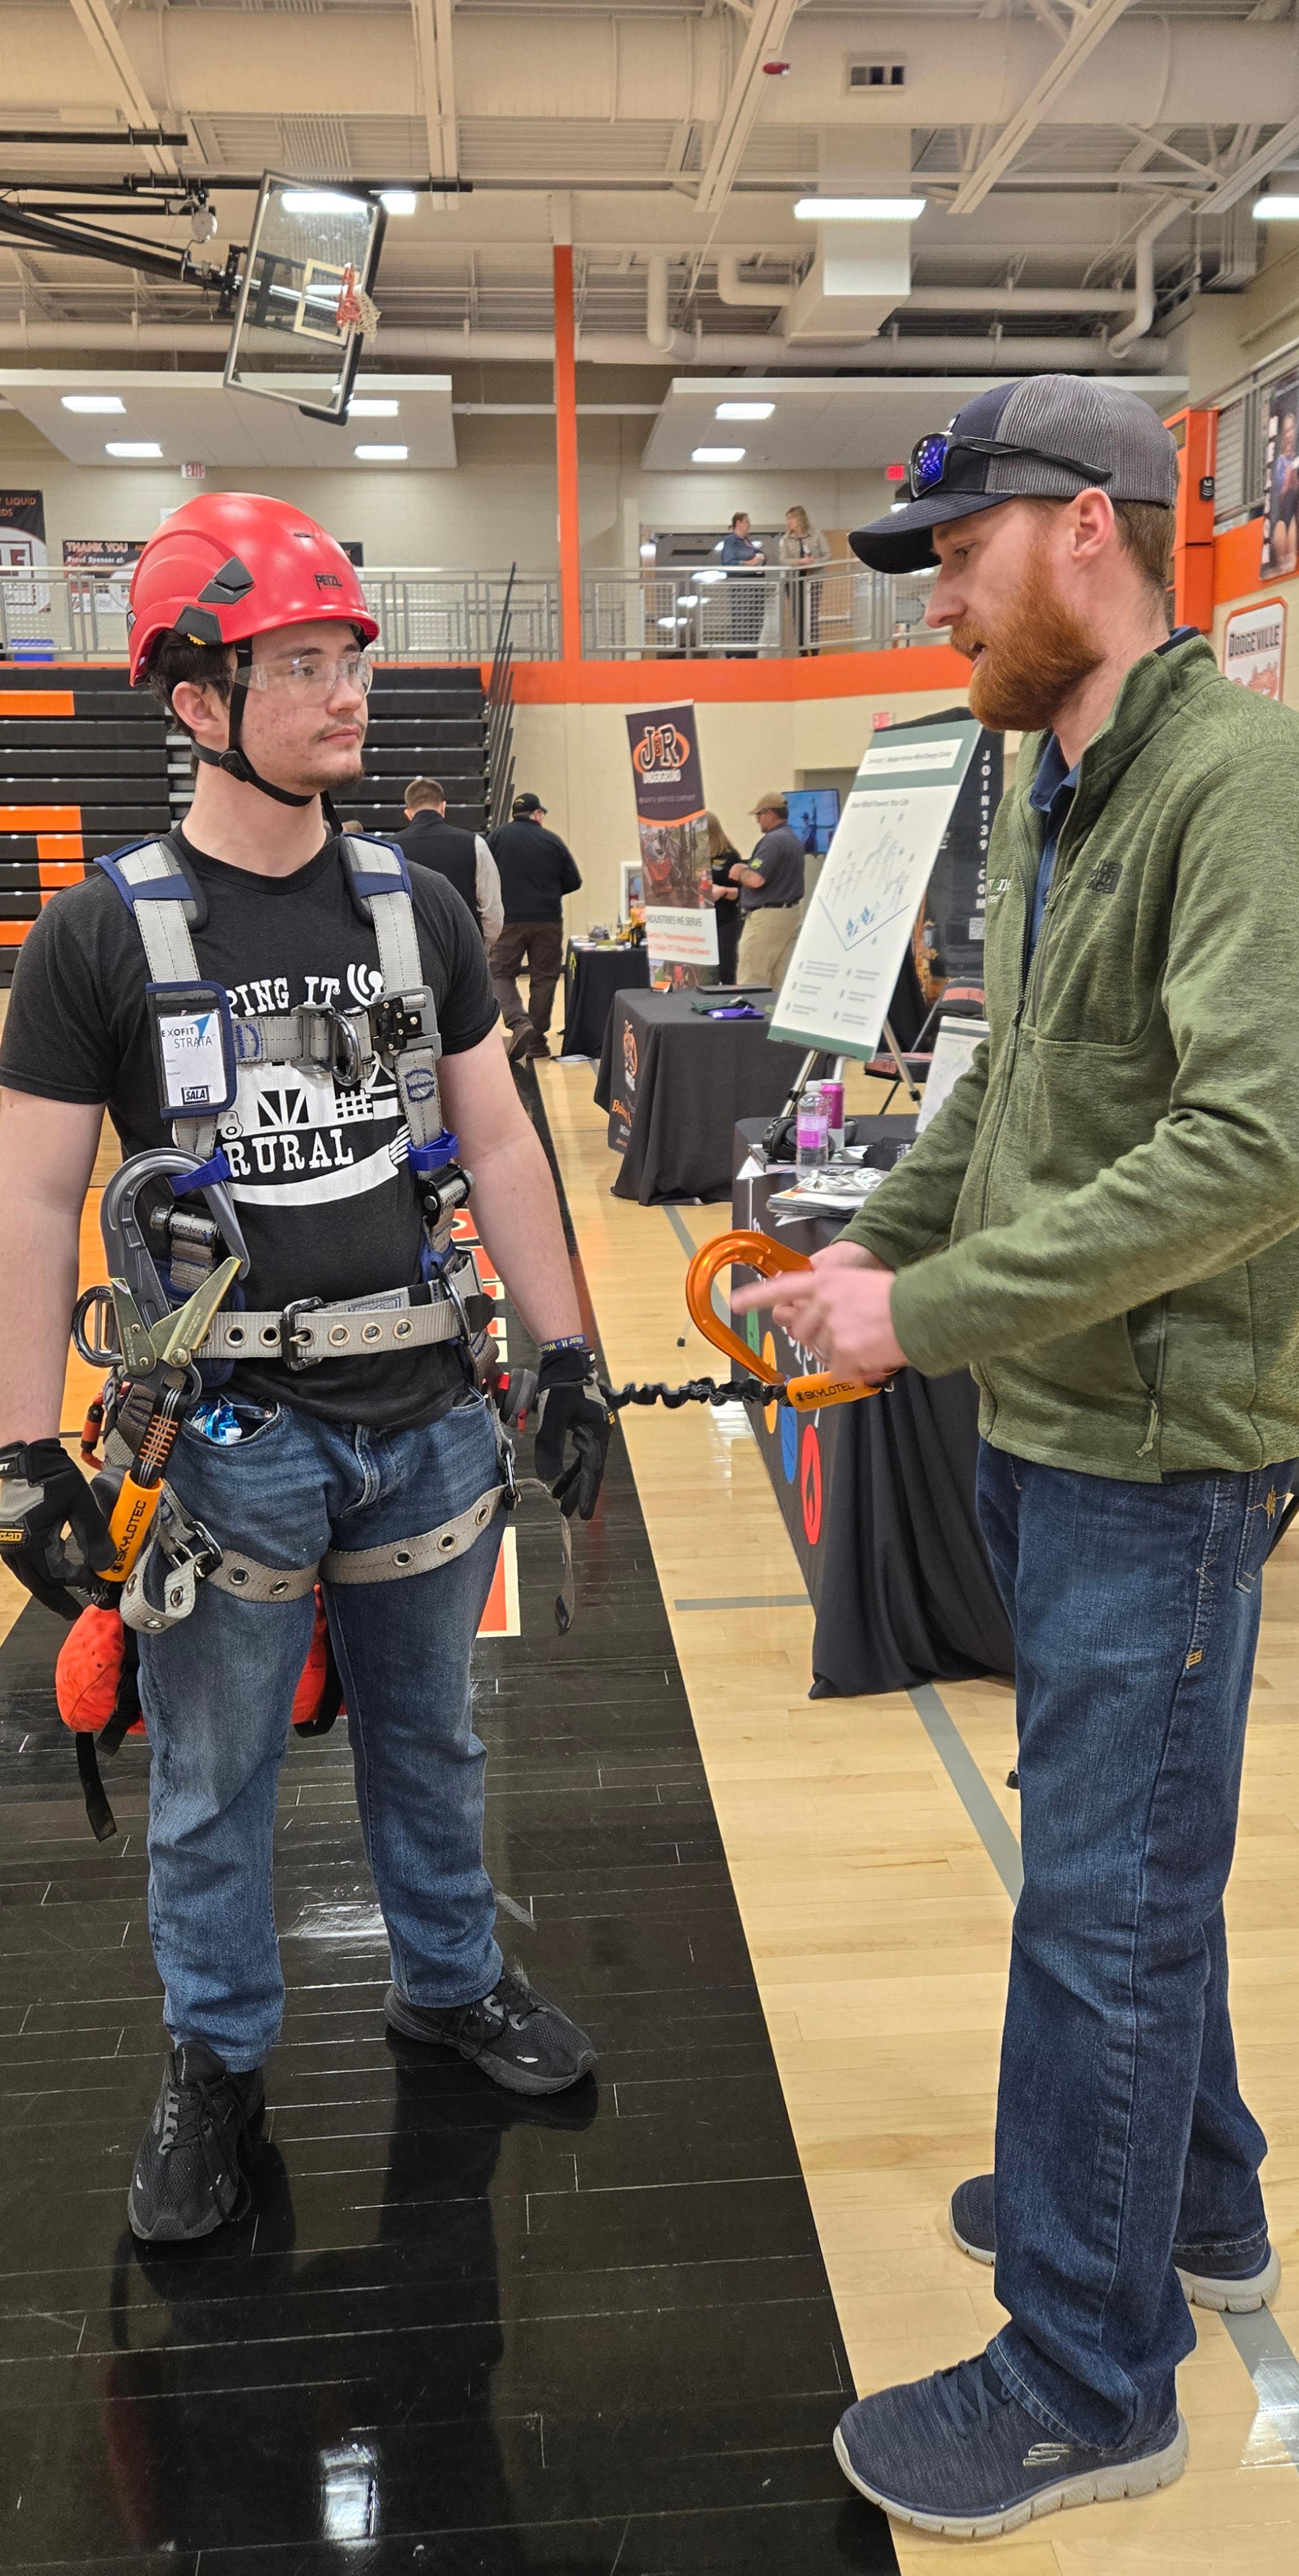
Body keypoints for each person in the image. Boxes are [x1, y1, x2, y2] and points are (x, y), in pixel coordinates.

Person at [737, 373, 1299, 2541]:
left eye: (959, 555)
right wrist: (875, 1250)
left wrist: (935, 1310)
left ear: (1087, 528)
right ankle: (1196, 2193)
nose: (939, 601)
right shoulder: (1050, 784)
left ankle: (1085, 2375)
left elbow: (1250, 1150)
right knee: (1129, 1861)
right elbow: (1003, 1082)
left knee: (1100, 1915)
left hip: (1163, 1456)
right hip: (1050, 1424)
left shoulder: (1238, 785)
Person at [0, 493, 613, 2245]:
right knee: (214, 1782)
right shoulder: (98, 937)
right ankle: (216, 2062)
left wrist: (568, 1350)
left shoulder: (415, 912)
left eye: (351, 657)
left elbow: (501, 1143)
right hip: (228, 1441)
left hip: (427, 1416)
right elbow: (29, 1200)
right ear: (197, 697)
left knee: (435, 1738)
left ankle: (451, 1978)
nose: (348, 691)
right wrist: (23, 1454)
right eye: (301, 664)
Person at [486, 791, 581, 1065]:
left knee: (500, 973)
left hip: (509, 920)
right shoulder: (552, 840)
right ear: (537, 814)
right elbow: (574, 881)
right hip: (548, 920)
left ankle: (519, 1022)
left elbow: (482, 873)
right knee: (545, 978)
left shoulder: (497, 838)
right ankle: (537, 1042)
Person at [400, 777, 504, 945]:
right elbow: (492, 910)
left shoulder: (390, 849)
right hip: (463, 945)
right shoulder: (475, 843)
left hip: (413, 947)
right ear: (443, 807)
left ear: (408, 814)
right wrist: (479, 946)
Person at [732, 792, 805, 993]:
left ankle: (748, 1014)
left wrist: (740, 872)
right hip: (790, 915)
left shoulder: (773, 841)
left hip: (767, 919)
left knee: (751, 979)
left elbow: (756, 879)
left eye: (759, 815)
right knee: (778, 982)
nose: (757, 820)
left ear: (771, 814)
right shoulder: (793, 839)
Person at [778, 504, 830, 654]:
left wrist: (815, 562)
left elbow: (828, 555)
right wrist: (799, 562)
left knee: (812, 615)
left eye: (792, 518)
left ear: (800, 518)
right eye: (788, 519)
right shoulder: (786, 540)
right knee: (798, 616)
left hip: (813, 580)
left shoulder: (817, 535)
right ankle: (802, 649)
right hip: (794, 582)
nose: (789, 522)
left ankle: (814, 649)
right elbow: (783, 560)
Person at [703, 809, 742, 985]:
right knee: (704, 973)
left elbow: (743, 892)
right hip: (701, 924)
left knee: (727, 968)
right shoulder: (693, 856)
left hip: (725, 921)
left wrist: (723, 891)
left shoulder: (730, 857)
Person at [719, 510, 766, 655]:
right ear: (738, 523)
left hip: (757, 584)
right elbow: (728, 563)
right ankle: (736, 653)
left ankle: (751, 652)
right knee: (743, 618)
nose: (749, 525)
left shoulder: (749, 542)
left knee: (756, 618)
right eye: (747, 522)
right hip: (742, 585)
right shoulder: (731, 542)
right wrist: (749, 563)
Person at [1265, 404, 1298, 576]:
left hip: (1293, 506)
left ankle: (1290, 558)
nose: (1290, 434)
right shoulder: (1280, 461)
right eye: (1287, 431)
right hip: (1283, 505)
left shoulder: (1295, 457)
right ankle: (1283, 560)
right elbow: (1279, 489)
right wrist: (1289, 478)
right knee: (1282, 522)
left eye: (1292, 429)